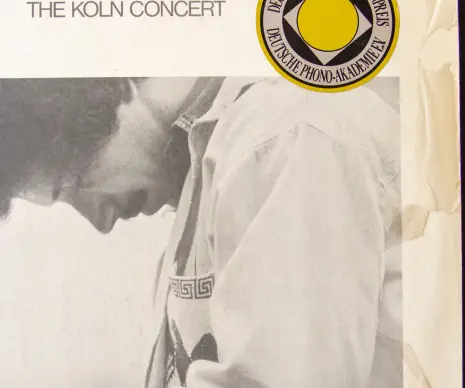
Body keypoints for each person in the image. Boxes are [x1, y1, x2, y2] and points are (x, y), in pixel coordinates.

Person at [0, 76, 407, 388]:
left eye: (76, 184)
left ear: (113, 91)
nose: (101, 222)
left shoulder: (279, 135)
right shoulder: (209, 171)